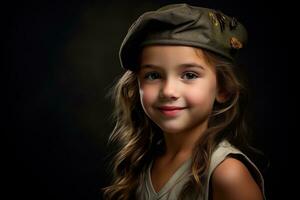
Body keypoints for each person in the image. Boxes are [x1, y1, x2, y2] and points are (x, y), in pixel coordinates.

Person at [103, 3, 265, 200]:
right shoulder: (143, 161)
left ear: (222, 89)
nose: (169, 91)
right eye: (153, 75)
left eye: (189, 75)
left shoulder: (227, 174)